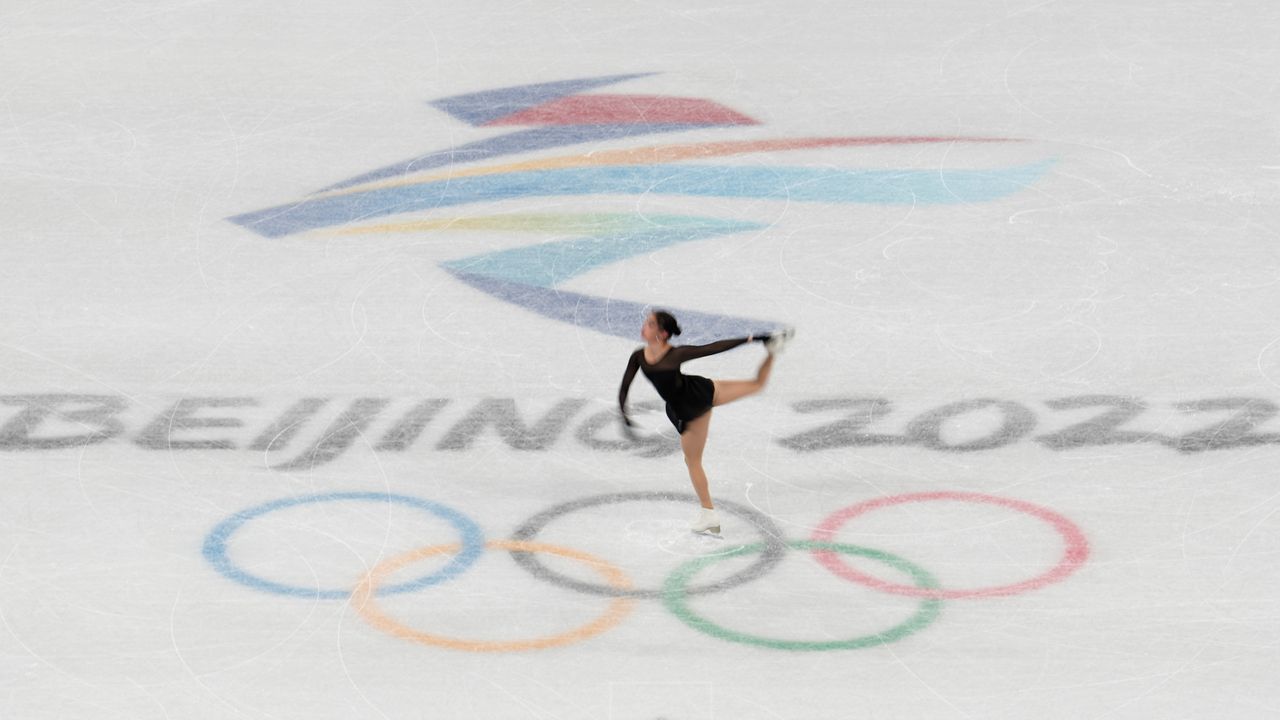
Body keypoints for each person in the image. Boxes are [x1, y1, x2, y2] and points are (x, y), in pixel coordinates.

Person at [618, 310, 791, 534]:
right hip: (693, 394)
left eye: (650, 324)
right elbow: (624, 387)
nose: (644, 326)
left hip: (694, 407)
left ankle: (709, 514)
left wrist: (753, 338)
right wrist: (624, 413)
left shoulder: (675, 354)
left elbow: (712, 348)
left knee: (692, 461)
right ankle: (773, 351)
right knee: (756, 384)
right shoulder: (639, 356)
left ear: (662, 333)